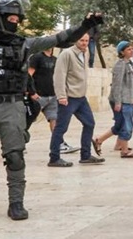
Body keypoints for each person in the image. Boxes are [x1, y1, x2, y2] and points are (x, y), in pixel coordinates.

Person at [0, 0, 104, 221]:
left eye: (18, 18)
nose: (15, 21)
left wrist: (86, 25)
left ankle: (16, 203)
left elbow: (60, 38)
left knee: (15, 156)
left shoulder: (26, 44)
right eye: (11, 17)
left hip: (13, 106)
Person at [47, 34, 104, 167]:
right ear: (75, 41)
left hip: (81, 97)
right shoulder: (66, 54)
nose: (84, 43)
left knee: (89, 123)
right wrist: (61, 96)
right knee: (61, 128)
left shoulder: (85, 54)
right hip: (68, 97)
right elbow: (59, 75)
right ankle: (54, 158)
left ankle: (86, 155)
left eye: (86, 40)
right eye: (81, 40)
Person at [92, 41, 133, 158]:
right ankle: (124, 151)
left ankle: (98, 140)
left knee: (120, 125)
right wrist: (118, 102)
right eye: (128, 49)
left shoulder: (129, 64)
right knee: (126, 125)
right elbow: (117, 85)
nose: (132, 51)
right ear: (122, 52)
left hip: (128, 100)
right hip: (122, 101)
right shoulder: (120, 65)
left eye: (132, 49)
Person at [28, 48, 79, 154]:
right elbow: (29, 75)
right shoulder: (37, 57)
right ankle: (18, 145)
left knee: (54, 119)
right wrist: (31, 92)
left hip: (52, 96)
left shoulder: (55, 60)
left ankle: (59, 144)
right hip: (38, 96)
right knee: (27, 121)